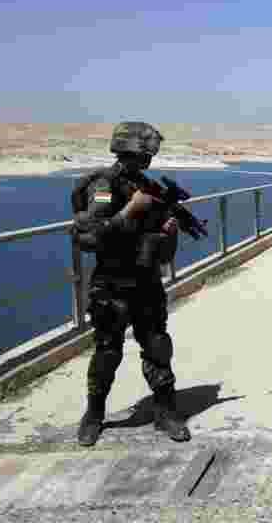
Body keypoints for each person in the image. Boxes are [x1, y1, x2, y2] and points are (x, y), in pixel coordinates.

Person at [72, 122, 190, 446]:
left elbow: (162, 248)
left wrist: (168, 232)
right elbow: (90, 236)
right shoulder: (104, 185)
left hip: (146, 282)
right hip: (111, 283)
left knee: (157, 347)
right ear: (129, 150)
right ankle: (94, 414)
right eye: (145, 154)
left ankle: (165, 412)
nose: (149, 160)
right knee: (108, 351)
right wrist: (130, 210)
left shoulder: (147, 186)